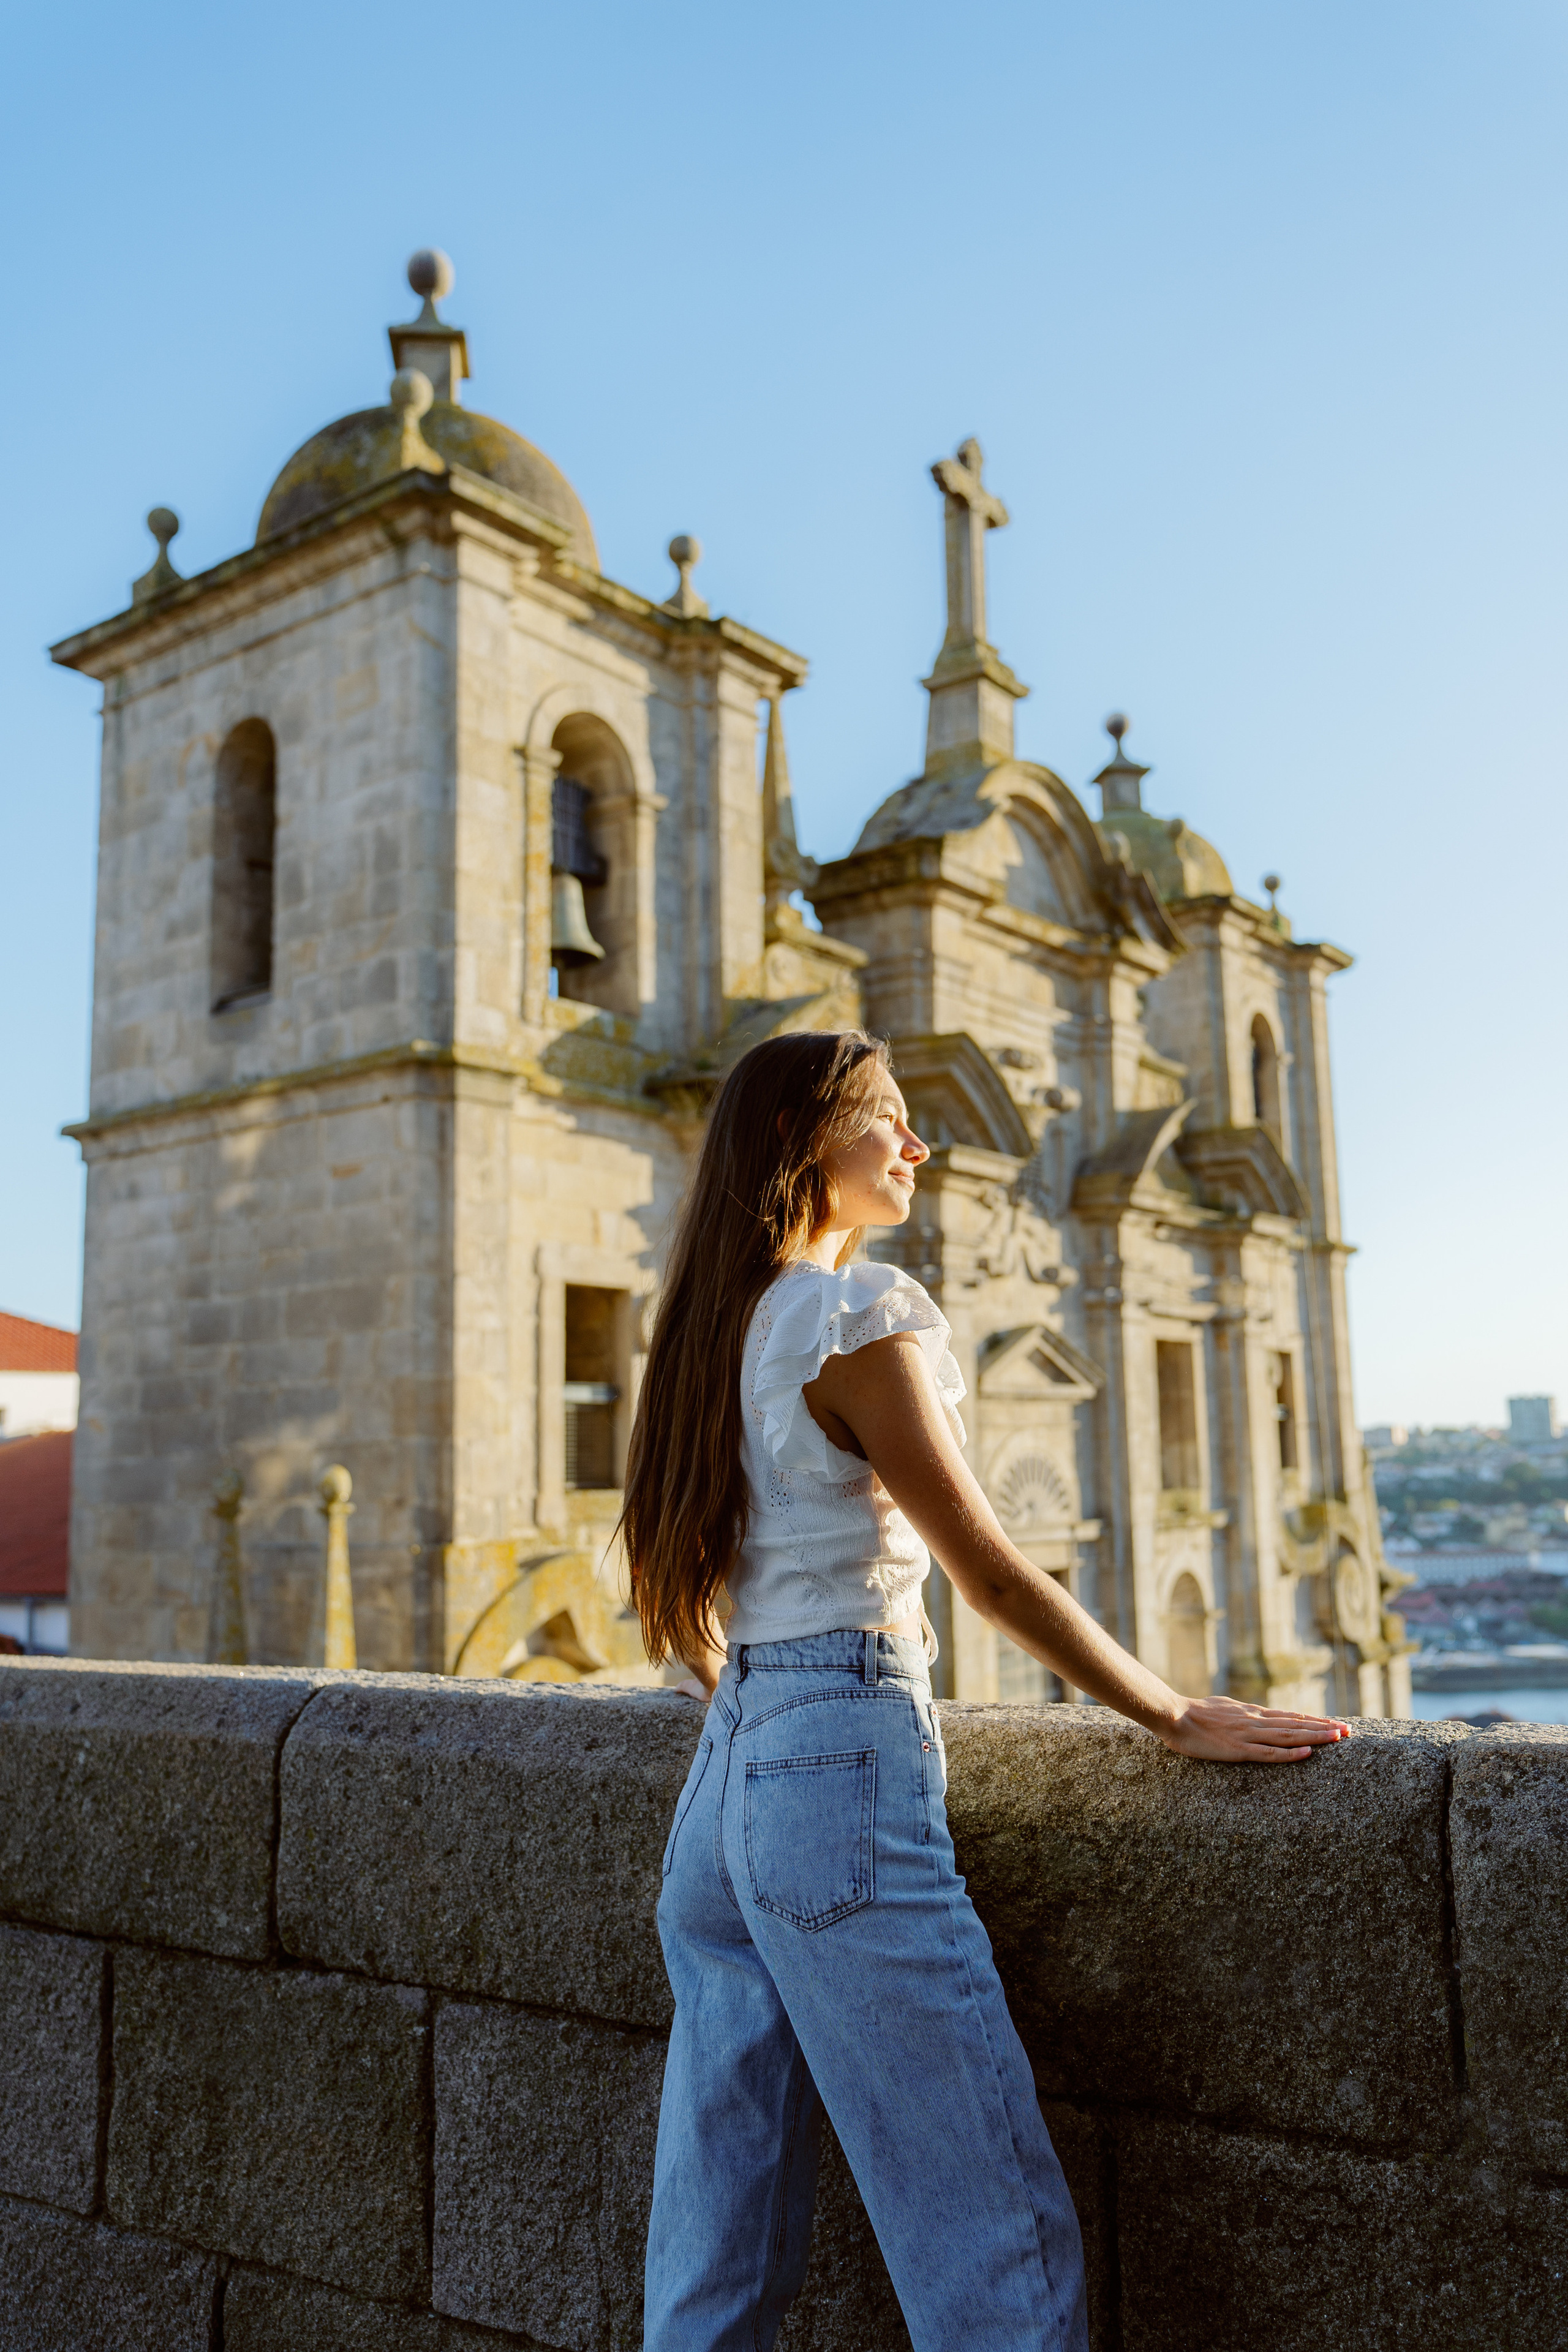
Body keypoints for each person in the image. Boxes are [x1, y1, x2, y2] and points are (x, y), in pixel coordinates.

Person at [625, 1029, 1350, 2352]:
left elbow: (686, 1593)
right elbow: (993, 1575)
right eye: (887, 1119)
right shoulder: (850, 1317)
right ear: (799, 1138)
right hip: (835, 1760)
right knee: (984, 2228)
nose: (917, 1144)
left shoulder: (708, 1332)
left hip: (727, 1782)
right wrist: (1171, 1711)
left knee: (712, 2246)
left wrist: (760, 1711)